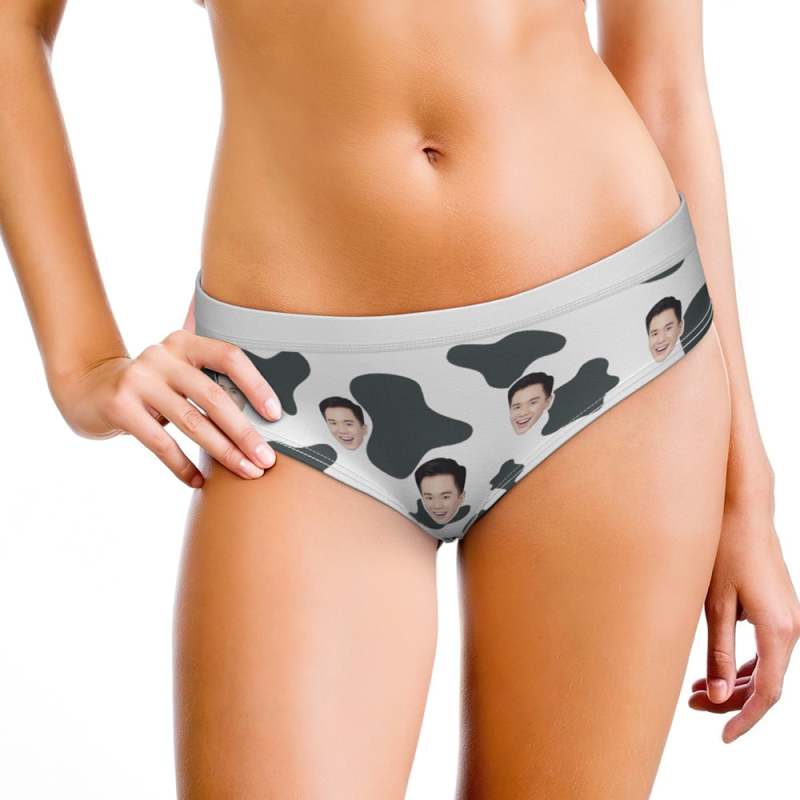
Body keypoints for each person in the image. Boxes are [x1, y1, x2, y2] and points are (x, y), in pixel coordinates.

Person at [2, 1, 799, 797]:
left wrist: (745, 492)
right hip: (291, 393)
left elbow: (664, 83)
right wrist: (82, 363)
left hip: (614, 337)